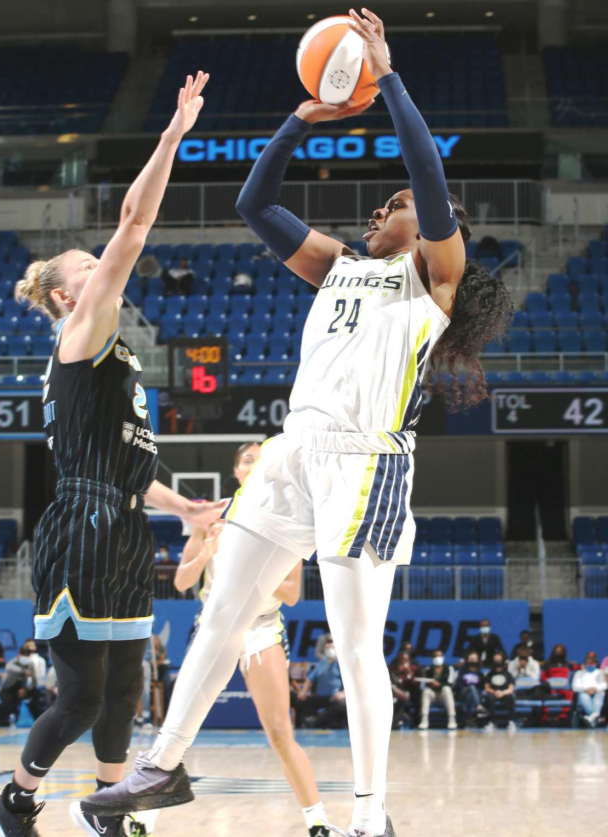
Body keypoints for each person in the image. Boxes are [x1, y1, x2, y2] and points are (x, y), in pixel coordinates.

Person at [81, 11, 512, 837]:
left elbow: (426, 176)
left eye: (406, 205)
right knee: (223, 613)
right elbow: (254, 201)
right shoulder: (339, 266)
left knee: (355, 649)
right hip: (292, 452)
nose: (393, 206)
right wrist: (298, 120)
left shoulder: (435, 282)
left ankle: (370, 816)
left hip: (366, 463)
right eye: (388, 204)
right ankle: (162, 767)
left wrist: (386, 76)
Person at [0, 71, 227, 837]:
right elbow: (132, 222)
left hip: (121, 523)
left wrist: (184, 504)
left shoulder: (113, 361)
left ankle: (108, 806)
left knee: (127, 690)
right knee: (82, 695)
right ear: (64, 296)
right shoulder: (80, 332)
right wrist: (172, 137)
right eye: (85, 268)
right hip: (80, 526)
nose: (101, 271)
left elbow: (135, 463)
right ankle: (16, 799)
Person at [175, 442, 331, 837]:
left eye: (262, 457)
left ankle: (318, 823)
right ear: (236, 471)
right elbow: (182, 581)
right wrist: (208, 548)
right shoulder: (211, 518)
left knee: (279, 731)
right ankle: (140, 819)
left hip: (261, 626)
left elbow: (293, 593)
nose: (255, 462)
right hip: (215, 624)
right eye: (248, 458)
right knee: (178, 732)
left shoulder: (287, 517)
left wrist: (247, 565)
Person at [294, 637, 347, 731]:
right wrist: (304, 692)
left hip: (335, 698)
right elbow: (310, 679)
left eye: (332, 647)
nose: (329, 650)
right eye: (327, 648)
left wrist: (342, 694)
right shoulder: (321, 663)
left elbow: (350, 682)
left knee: (340, 705)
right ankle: (309, 721)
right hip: (321, 697)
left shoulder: (342, 663)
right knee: (301, 701)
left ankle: (315, 722)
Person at [0, 645, 42, 722]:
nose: (25, 657)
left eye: (27, 655)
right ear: (19, 655)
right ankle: (5, 719)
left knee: (36, 694)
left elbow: (34, 680)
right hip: (9, 688)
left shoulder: (30, 664)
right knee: (6, 699)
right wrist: (23, 671)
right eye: (23, 655)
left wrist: (26, 689)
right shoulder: (13, 662)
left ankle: (38, 719)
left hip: (23, 688)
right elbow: (8, 667)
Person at [418, 650, 457, 730]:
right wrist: (431, 683)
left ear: (443, 657)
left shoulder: (448, 668)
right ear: (432, 658)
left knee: (447, 689)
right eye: (435, 656)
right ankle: (424, 719)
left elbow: (450, 683)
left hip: (443, 694)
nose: (437, 658)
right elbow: (424, 683)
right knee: (426, 691)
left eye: (439, 656)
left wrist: (439, 685)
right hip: (433, 694)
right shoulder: (428, 669)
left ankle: (451, 718)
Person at [482, 652, 516, 731]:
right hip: (493, 692)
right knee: (489, 698)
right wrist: (494, 692)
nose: (498, 663)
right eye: (496, 660)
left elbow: (511, 689)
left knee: (510, 697)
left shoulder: (508, 674)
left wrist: (503, 693)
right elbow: (487, 687)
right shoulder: (490, 674)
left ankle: (510, 721)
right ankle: (491, 722)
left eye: (499, 660)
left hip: (505, 692)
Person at [572, 654, 607, 728]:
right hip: (584, 693)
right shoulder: (579, 673)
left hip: (597, 692)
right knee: (583, 696)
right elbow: (575, 687)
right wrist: (586, 689)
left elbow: (605, 685)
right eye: (588, 662)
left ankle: (592, 718)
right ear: (585, 663)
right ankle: (596, 716)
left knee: (599, 695)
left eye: (592, 662)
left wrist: (595, 689)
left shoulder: (600, 672)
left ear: (596, 663)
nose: (590, 664)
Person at [388, 650, 420, 728]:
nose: (403, 662)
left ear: (409, 660)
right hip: (393, 693)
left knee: (403, 698)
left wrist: (409, 672)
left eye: (405, 660)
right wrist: (398, 672)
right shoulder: (392, 668)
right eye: (401, 659)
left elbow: (415, 684)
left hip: (408, 694)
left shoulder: (414, 669)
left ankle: (399, 720)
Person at [454, 651, 486, 725]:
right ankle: (479, 706)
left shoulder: (480, 673)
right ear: (467, 660)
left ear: (478, 660)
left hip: (474, 695)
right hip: (463, 692)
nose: (473, 661)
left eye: (474, 659)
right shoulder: (462, 671)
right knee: (471, 687)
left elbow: (482, 686)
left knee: (471, 695)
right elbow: (459, 684)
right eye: (471, 659)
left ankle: (468, 718)